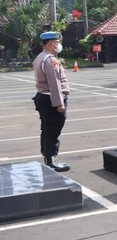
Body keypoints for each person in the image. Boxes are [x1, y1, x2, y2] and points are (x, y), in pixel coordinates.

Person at [33, 31, 70, 172]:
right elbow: (54, 83)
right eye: (57, 42)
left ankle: (47, 158)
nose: (59, 44)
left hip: (43, 97)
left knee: (47, 130)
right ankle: (52, 160)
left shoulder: (40, 57)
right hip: (51, 99)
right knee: (53, 131)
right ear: (50, 44)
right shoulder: (50, 60)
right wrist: (59, 103)